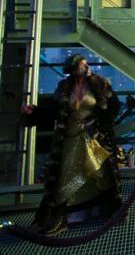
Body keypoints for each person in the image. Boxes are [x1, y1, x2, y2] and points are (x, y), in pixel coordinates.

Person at [21, 54, 122, 235]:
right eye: (82, 64)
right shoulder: (65, 87)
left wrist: (100, 123)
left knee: (102, 174)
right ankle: (57, 218)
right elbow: (55, 111)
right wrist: (34, 112)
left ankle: (111, 210)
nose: (86, 67)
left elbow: (113, 106)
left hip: (93, 138)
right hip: (71, 138)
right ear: (74, 69)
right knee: (65, 178)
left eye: (85, 64)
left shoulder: (99, 84)